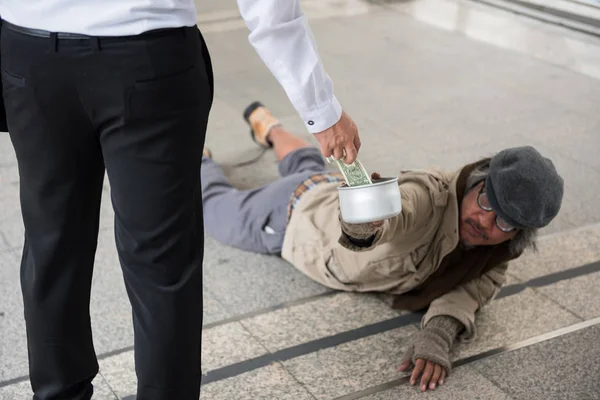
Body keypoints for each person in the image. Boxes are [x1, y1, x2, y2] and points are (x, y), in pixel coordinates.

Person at [0, 1, 360, 399]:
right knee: (160, 264)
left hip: (30, 54)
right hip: (147, 55)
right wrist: (321, 109)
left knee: (52, 247)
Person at [202, 102, 565, 393]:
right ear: (476, 180)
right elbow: (399, 209)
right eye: (486, 202)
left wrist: (438, 332)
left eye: (505, 223)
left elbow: (471, 289)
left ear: (519, 234)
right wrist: (366, 223)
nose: (486, 223)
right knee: (212, 206)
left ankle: (270, 127)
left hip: (324, 184)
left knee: (305, 164)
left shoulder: (498, 252)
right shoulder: (430, 196)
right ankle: (199, 156)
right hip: (294, 215)